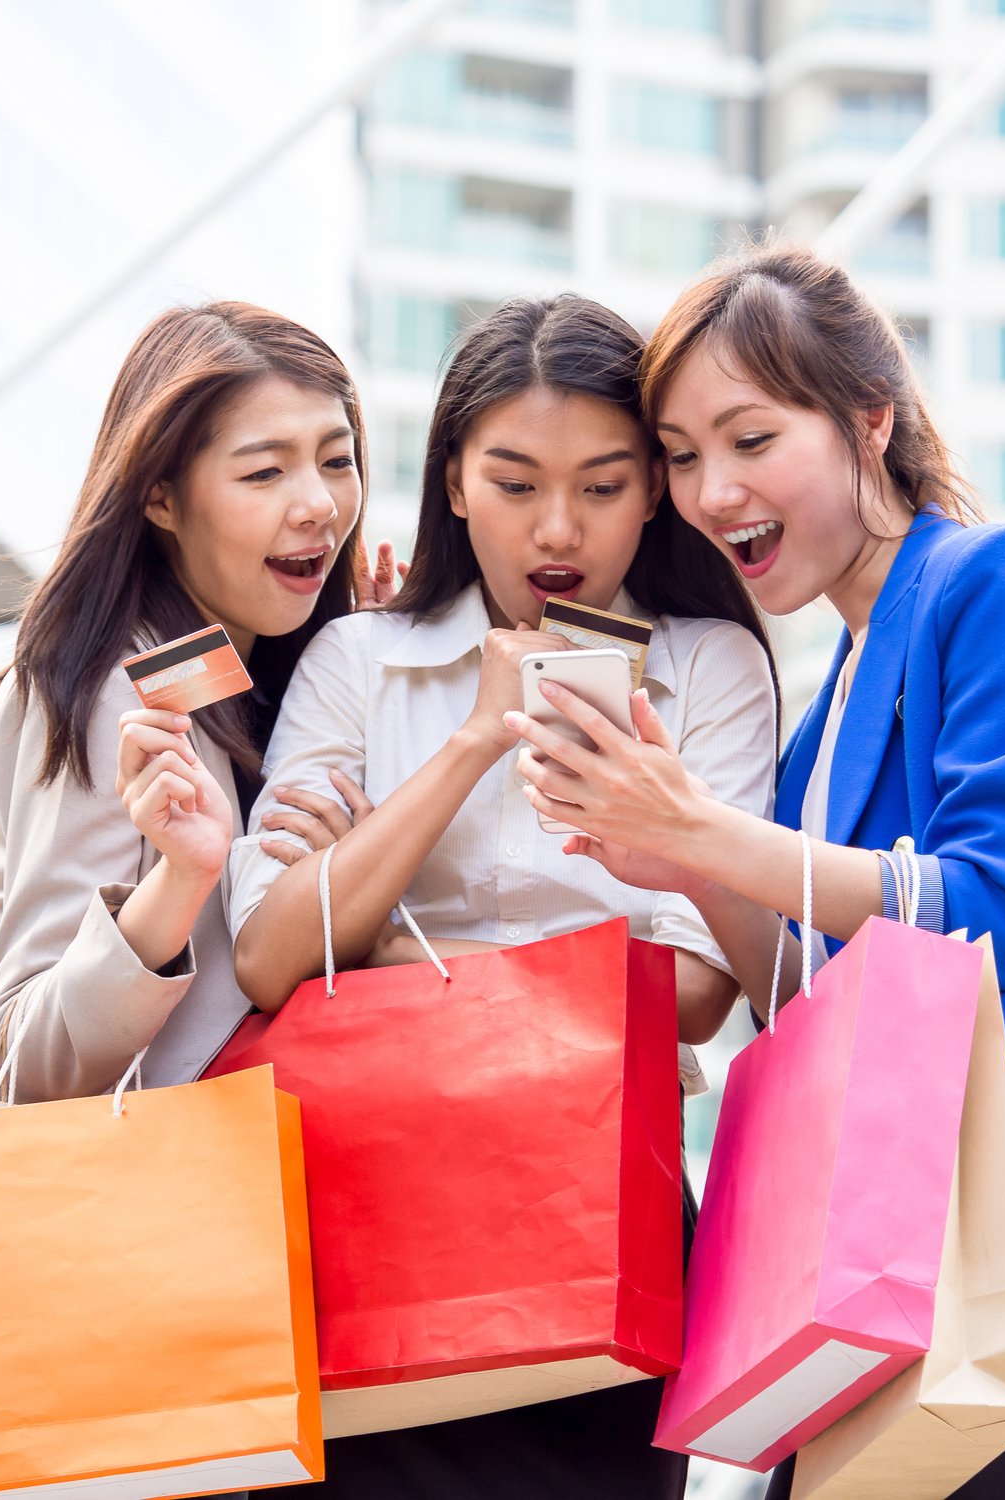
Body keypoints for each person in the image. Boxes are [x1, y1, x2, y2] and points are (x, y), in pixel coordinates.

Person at [504, 239, 1005, 1500]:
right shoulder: (822, 700)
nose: (712, 490)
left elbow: (998, 907)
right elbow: (819, 989)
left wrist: (708, 835)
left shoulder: (992, 581)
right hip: (881, 1223)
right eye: (678, 455)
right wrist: (680, 855)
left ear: (868, 420)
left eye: (748, 437)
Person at [230, 293, 779, 1499]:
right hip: (357, 1218)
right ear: (454, 482)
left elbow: (692, 994)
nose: (557, 528)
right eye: (516, 481)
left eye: (602, 483)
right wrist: (477, 737)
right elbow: (269, 959)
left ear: (653, 491)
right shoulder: (355, 660)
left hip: (595, 1215)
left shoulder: (707, 669)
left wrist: (369, 939)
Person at [0, 299, 375, 1104]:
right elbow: (28, 1061)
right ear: (160, 496)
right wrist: (179, 881)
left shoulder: (296, 671)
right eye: (264, 471)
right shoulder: (110, 683)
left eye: (336, 459)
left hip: (217, 1173)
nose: (319, 503)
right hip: (50, 1196)